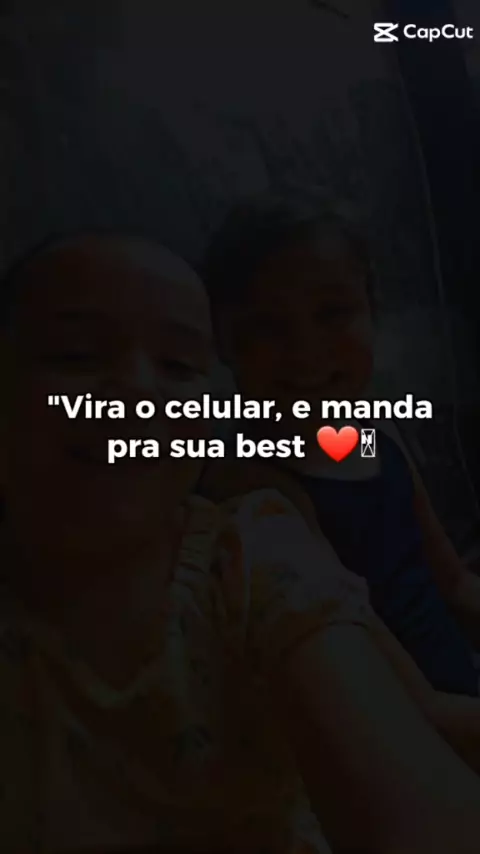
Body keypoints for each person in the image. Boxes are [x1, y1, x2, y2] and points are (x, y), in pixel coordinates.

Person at [2, 234, 480, 854]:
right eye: (76, 354)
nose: (137, 393)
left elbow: (452, 585)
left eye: (178, 366)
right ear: (232, 355)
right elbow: (416, 717)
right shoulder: (252, 500)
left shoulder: (368, 456)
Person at [200, 190, 480, 697]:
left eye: (333, 313)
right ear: (223, 341)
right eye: (268, 327)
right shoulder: (255, 486)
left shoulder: (373, 431)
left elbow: (455, 585)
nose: (305, 350)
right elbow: (388, 691)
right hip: (397, 723)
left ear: (372, 311)